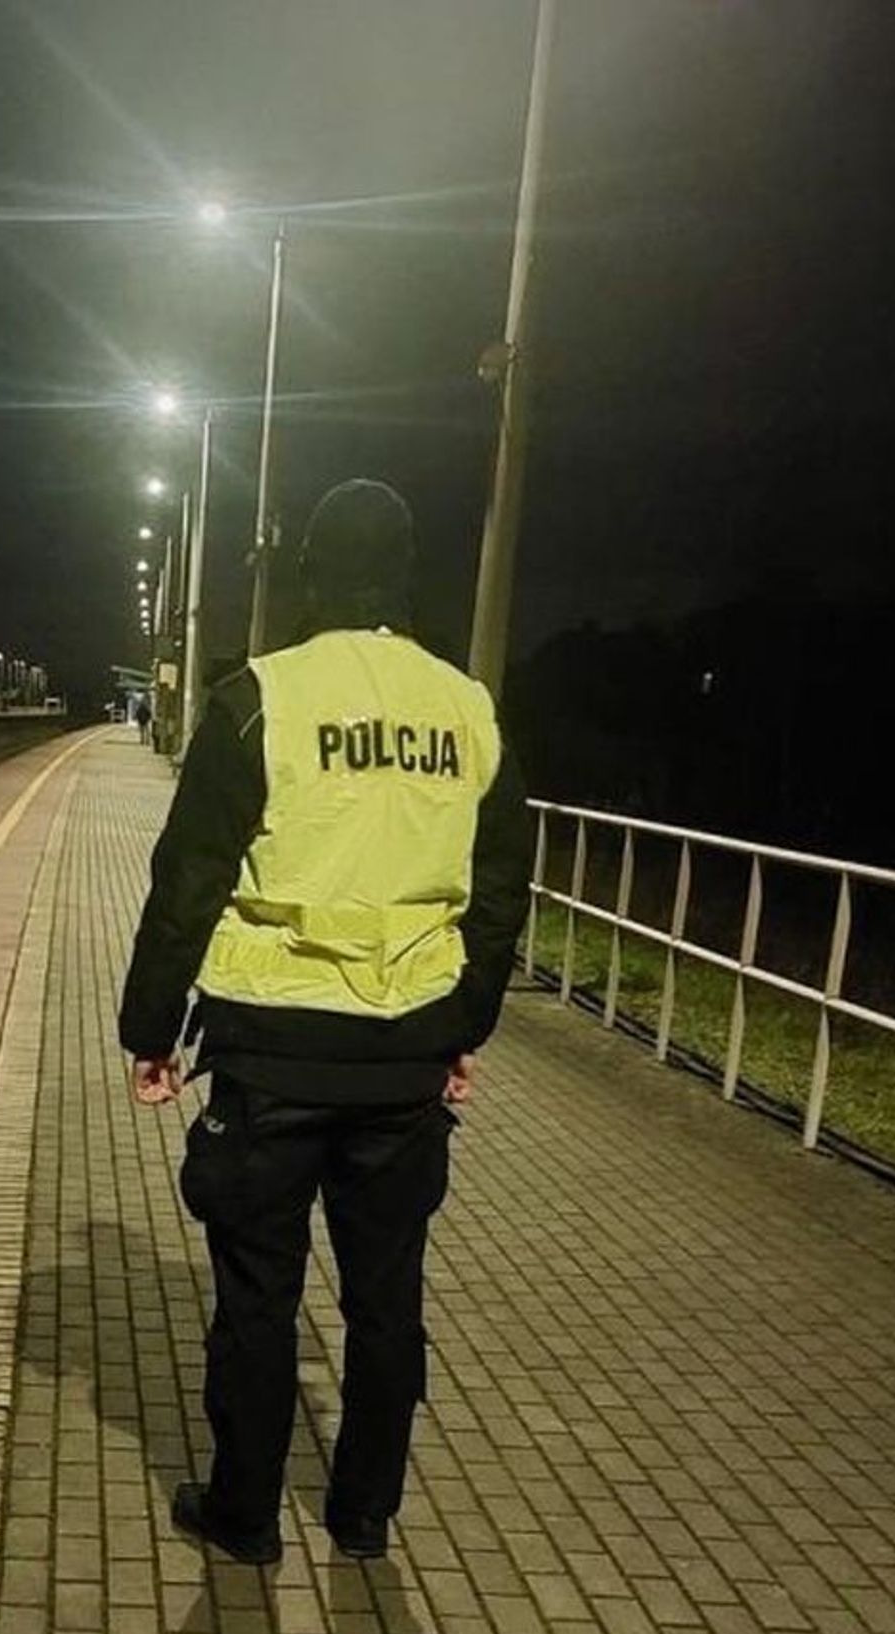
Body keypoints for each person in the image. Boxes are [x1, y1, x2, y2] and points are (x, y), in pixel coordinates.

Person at [118, 479, 533, 1565]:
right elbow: (501, 892)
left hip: (271, 1052)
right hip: (405, 1058)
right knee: (387, 1301)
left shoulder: (259, 699)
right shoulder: (468, 709)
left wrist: (150, 1029)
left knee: (259, 1296)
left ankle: (245, 1514)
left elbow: (188, 882)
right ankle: (363, 1513)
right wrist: (463, 1025)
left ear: (309, 573)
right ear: (405, 576)